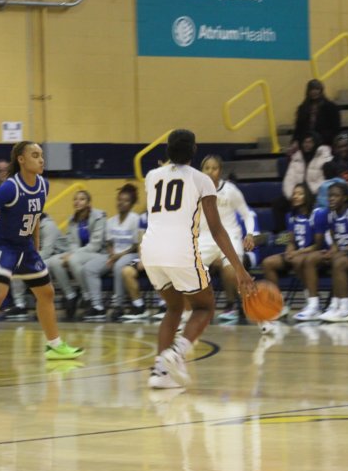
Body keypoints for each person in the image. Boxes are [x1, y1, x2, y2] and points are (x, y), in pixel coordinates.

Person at [0, 141, 84, 368]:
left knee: (46, 293)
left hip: (25, 248)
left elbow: (35, 216)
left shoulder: (43, 184)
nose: (41, 159)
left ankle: (54, 345)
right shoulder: (9, 187)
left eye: (41, 155)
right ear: (21, 159)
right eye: (35, 155)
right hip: (2, 247)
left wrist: (36, 246)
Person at [141, 129, 255, 389]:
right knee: (204, 307)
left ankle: (160, 373)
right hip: (180, 250)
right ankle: (176, 352)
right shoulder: (202, 180)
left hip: (150, 250)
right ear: (194, 151)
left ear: (167, 151)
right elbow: (216, 229)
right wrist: (240, 269)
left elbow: (169, 179)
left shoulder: (151, 176)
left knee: (174, 308)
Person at [198, 155, 257, 322]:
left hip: (230, 235)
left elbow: (247, 214)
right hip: (205, 237)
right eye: (206, 168)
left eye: (214, 168)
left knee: (231, 271)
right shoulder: (195, 191)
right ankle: (206, 307)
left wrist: (250, 233)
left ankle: (238, 304)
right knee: (193, 271)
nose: (210, 171)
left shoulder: (230, 190)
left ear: (220, 171)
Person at [293, 182, 348, 322]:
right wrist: (332, 251)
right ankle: (314, 305)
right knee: (310, 259)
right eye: (330, 196)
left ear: (345, 198)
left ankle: (345, 307)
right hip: (340, 252)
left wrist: (340, 252)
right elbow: (335, 242)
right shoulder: (330, 215)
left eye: (335, 196)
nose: (331, 199)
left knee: (338, 261)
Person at [80, 184, 143, 321]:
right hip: (114, 255)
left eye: (126, 200)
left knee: (119, 266)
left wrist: (118, 256)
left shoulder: (135, 219)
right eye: (119, 199)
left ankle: (118, 305)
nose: (121, 203)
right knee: (89, 268)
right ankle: (97, 307)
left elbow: (136, 245)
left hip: (131, 254)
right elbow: (109, 242)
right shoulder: (111, 221)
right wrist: (111, 254)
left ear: (131, 204)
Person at [46, 191, 107, 321]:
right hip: (80, 254)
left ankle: (87, 295)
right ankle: (70, 295)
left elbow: (95, 245)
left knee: (72, 259)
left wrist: (73, 254)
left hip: (99, 254)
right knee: (54, 261)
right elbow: (71, 243)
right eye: (75, 199)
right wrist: (73, 253)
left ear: (88, 203)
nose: (77, 202)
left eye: (82, 199)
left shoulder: (99, 217)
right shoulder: (72, 220)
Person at [261, 183, 316, 317]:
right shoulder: (291, 216)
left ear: (307, 196)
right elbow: (291, 241)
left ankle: (312, 302)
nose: (296, 196)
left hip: (312, 253)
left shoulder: (316, 214)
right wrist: (289, 251)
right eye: (294, 194)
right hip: (297, 254)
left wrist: (297, 253)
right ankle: (278, 304)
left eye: (300, 194)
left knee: (297, 261)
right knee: (268, 263)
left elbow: (318, 245)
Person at [2, 212, 63, 321]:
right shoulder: (26, 227)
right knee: (17, 267)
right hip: (41, 257)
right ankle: (20, 305)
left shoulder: (48, 226)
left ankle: (43, 306)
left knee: (39, 268)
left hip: (57, 256)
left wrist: (28, 260)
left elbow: (47, 251)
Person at [274, 133, 331, 231]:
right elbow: (289, 179)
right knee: (278, 204)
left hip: (314, 194)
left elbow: (324, 181)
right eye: (305, 142)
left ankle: (313, 231)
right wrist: (293, 195)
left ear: (315, 143)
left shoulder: (324, 158)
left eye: (310, 142)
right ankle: (283, 233)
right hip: (297, 194)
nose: (307, 145)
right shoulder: (296, 158)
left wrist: (307, 194)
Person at [291, 79, 341, 151]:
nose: (314, 92)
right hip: (305, 143)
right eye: (312, 89)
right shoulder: (303, 108)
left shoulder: (331, 107)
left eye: (317, 89)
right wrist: (295, 141)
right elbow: (298, 128)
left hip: (325, 142)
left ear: (321, 90)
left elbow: (335, 129)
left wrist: (320, 139)